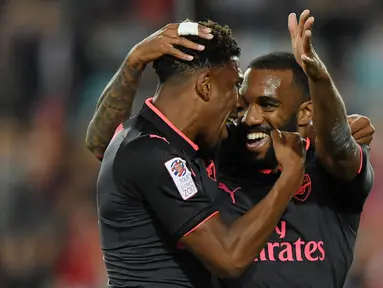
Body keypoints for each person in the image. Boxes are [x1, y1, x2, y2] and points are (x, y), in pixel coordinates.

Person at [88, 15, 375, 288]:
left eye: (265, 105)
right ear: (206, 85)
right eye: (237, 94)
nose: (244, 114)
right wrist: (134, 61)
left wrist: (325, 113)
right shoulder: (171, 151)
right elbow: (230, 258)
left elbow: (334, 145)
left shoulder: (194, 145)